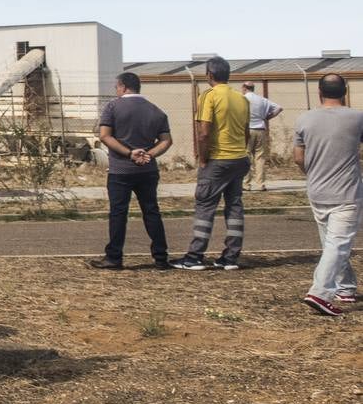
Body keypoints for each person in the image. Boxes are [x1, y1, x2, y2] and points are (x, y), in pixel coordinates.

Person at [87, 73, 173, 270]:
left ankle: (114, 257)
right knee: (151, 211)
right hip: (148, 170)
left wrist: (129, 153)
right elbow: (166, 140)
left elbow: (105, 136)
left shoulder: (112, 107)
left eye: (117, 87)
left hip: (121, 170)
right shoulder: (156, 111)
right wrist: (149, 154)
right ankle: (161, 257)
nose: (116, 91)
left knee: (118, 213)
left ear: (123, 87)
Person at [172, 56, 251, 271]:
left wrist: (204, 159)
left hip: (218, 159)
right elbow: (246, 132)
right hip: (239, 158)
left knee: (205, 205)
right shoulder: (241, 98)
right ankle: (231, 256)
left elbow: (204, 133)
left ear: (209, 75)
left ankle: (195, 256)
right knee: (234, 206)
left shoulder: (208, 96)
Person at [294, 74, 362, 316]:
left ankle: (345, 287)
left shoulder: (304, 119)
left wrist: (313, 173)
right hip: (346, 191)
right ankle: (320, 292)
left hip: (317, 190)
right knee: (338, 244)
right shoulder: (357, 117)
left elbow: (298, 157)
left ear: (319, 92)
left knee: (331, 242)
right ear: (345, 91)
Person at [242, 83, 283, 191]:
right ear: (253, 88)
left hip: (247, 129)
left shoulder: (243, 99)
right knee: (260, 157)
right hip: (260, 129)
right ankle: (260, 184)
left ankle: (246, 184)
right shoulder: (262, 100)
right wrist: (267, 118)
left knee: (246, 156)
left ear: (244, 88)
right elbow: (279, 108)